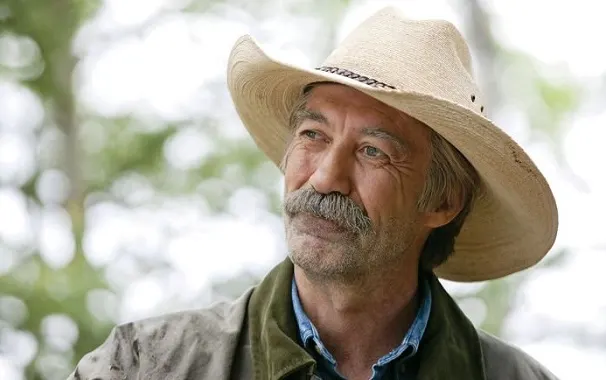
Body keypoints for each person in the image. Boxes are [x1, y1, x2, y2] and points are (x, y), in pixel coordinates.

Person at [67, 6, 560, 380]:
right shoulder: (143, 366)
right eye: (313, 136)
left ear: (442, 202)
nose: (325, 178)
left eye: (372, 152)